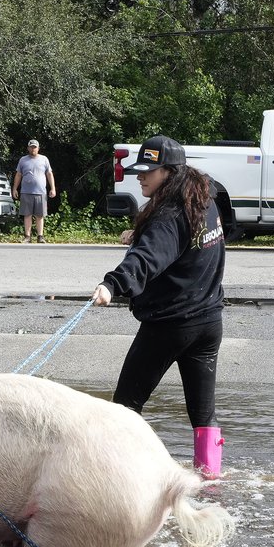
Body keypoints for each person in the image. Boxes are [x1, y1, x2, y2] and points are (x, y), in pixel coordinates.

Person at [90, 135, 227, 479]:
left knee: (125, 407)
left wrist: (113, 284)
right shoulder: (206, 197)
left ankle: (120, 478)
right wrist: (138, 234)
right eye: (140, 170)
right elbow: (179, 243)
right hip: (209, 322)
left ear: (169, 172)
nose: (140, 177)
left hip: (170, 325)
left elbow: (149, 257)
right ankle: (210, 480)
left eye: (149, 171)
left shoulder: (167, 215)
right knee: (203, 415)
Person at [13, 139, 56, 243]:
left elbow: (49, 174)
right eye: (31, 147)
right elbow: (18, 174)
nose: (33, 149)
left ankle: (40, 236)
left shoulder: (44, 159)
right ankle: (27, 237)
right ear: (28, 148)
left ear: (38, 148)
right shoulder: (23, 160)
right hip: (26, 191)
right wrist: (14, 188)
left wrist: (53, 188)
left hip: (40, 192)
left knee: (40, 215)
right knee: (27, 214)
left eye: (35, 147)